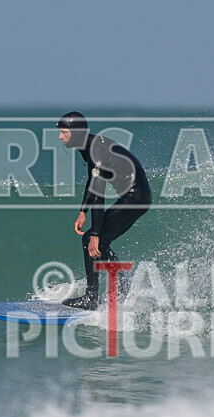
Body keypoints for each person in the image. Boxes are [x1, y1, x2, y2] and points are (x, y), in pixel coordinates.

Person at [56, 111, 152, 310]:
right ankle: (124, 289)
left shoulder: (95, 150)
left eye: (63, 132)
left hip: (134, 197)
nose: (59, 136)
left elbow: (99, 193)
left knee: (91, 240)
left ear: (75, 132)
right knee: (102, 242)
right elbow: (93, 182)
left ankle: (91, 298)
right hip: (138, 196)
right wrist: (83, 211)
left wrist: (95, 233)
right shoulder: (88, 146)